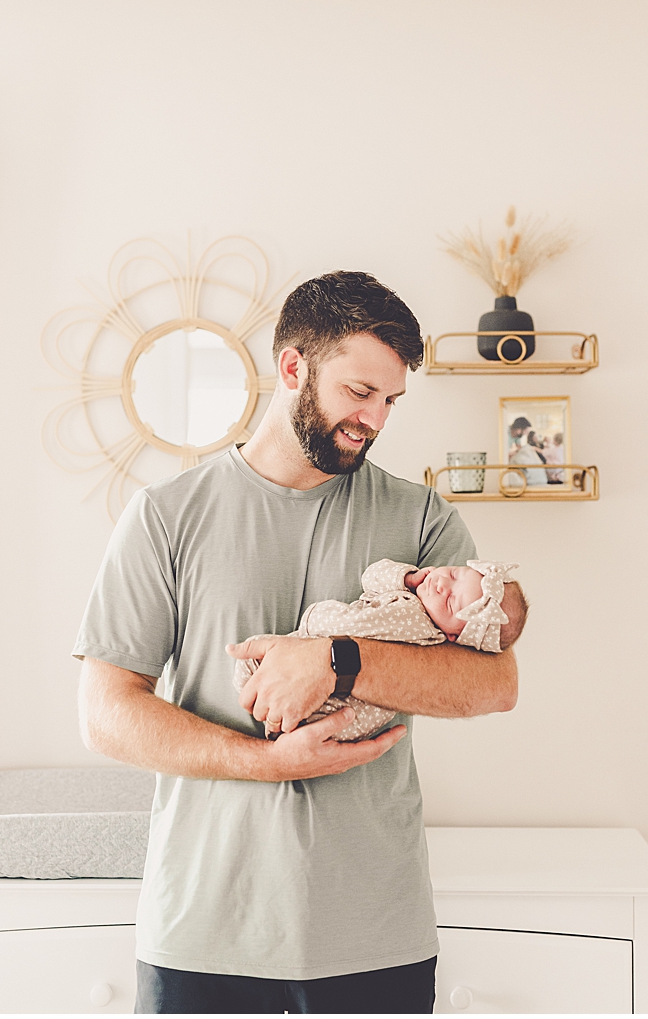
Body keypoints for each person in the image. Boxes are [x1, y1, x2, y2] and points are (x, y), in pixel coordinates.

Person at [74, 271, 526, 1014]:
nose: (376, 418)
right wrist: (268, 764)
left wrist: (338, 659)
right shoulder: (165, 517)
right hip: (203, 932)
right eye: (359, 392)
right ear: (293, 368)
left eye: (390, 401)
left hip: (373, 933)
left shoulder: (424, 524)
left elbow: (492, 685)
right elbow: (105, 713)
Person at [231, 558, 526, 743]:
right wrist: (407, 578)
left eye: (451, 602)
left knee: (254, 659)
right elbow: (371, 578)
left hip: (337, 708)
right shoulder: (418, 600)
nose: (441, 585)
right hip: (348, 723)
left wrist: (312, 624)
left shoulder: (413, 622)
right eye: (453, 573)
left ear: (453, 635)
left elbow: (352, 626)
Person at [507, 416, 548, 486]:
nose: (525, 434)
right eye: (525, 431)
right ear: (519, 429)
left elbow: (519, 448)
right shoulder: (505, 433)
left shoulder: (517, 436)